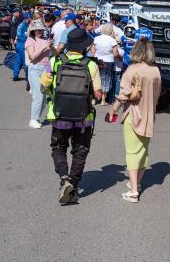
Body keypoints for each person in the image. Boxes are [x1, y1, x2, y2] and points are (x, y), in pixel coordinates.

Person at [40, 28, 103, 204]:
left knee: (59, 147)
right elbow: (98, 94)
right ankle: (73, 186)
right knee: (80, 150)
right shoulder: (91, 65)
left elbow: (43, 85)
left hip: (59, 115)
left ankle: (64, 178)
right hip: (84, 117)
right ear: (84, 46)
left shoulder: (55, 61)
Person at [107, 38, 162, 203]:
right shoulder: (156, 71)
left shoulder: (132, 70)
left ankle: (133, 191)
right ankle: (136, 183)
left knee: (131, 152)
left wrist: (113, 110)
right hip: (149, 116)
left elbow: (123, 95)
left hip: (134, 114)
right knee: (143, 152)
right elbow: (158, 96)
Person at [25, 19, 52, 129]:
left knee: (44, 98)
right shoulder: (30, 41)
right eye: (37, 30)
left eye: (41, 29)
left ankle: (36, 118)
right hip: (35, 69)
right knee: (38, 96)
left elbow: (53, 53)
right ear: (33, 31)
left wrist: (51, 46)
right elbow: (32, 56)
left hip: (46, 69)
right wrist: (45, 46)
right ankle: (33, 119)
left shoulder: (45, 40)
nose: (40, 31)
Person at [93, 23, 121, 105]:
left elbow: (93, 50)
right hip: (108, 61)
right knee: (106, 79)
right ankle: (103, 100)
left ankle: (94, 99)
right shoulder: (112, 40)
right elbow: (115, 54)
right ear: (110, 30)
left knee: (97, 78)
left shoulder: (97, 38)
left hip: (97, 60)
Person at [11, 12, 30, 81]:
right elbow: (26, 35)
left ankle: (15, 76)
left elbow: (17, 34)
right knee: (25, 61)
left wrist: (16, 39)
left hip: (18, 43)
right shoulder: (25, 25)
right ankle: (27, 76)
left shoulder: (20, 25)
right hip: (23, 44)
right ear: (27, 18)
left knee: (17, 61)